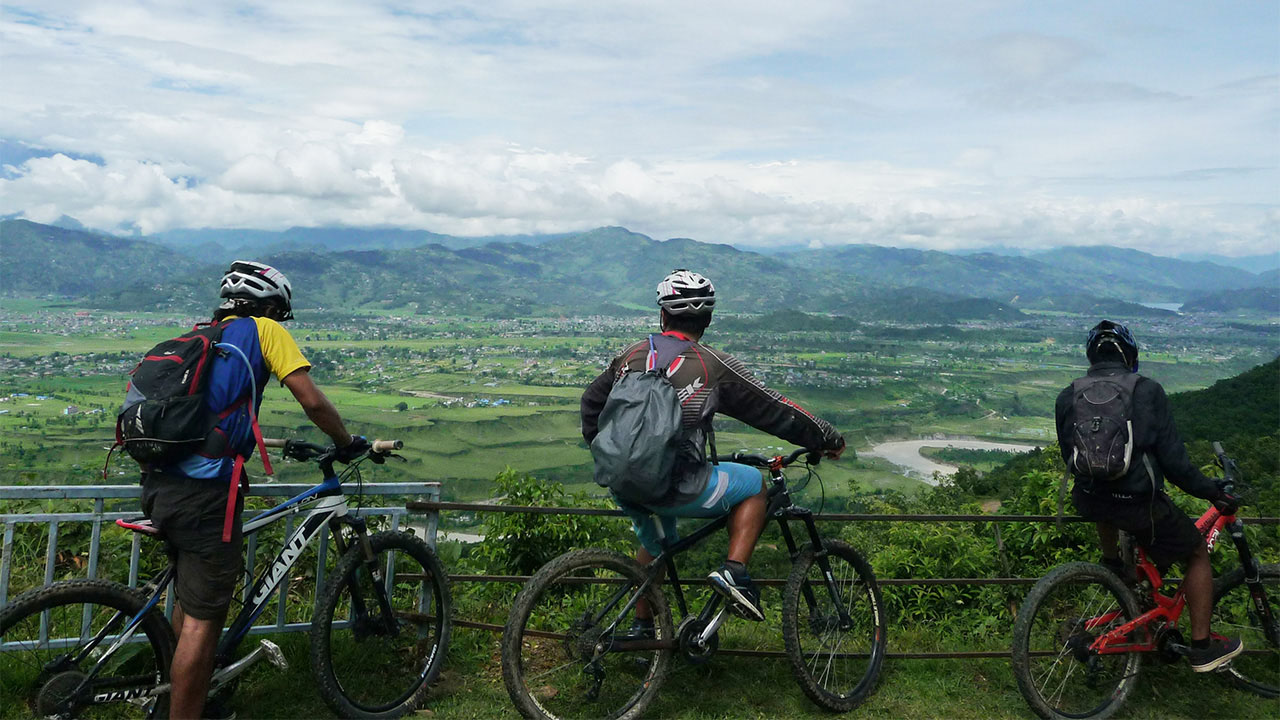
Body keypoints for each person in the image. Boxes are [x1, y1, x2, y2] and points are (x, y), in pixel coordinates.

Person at [141, 261, 369, 720]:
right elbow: (311, 400)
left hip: (160, 483)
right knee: (204, 623)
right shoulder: (264, 330)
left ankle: (182, 700)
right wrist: (346, 442)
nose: (281, 320)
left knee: (189, 602)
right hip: (206, 494)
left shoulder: (205, 335)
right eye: (280, 313)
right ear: (271, 306)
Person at [581, 269, 845, 623]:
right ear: (707, 320)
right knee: (754, 485)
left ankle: (641, 628)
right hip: (675, 483)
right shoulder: (712, 365)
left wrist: (610, 454)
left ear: (663, 315)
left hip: (621, 480)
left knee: (657, 546)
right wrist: (826, 437)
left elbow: (591, 403)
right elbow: (774, 410)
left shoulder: (632, 354)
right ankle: (734, 572)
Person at [1055, 320, 1242, 672]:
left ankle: (1113, 565)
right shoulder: (1147, 391)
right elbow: (1174, 464)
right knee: (1196, 552)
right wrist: (1213, 493)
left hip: (1091, 500)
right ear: (1130, 356)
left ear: (1091, 356)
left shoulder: (1068, 395)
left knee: (1106, 505)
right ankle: (1202, 648)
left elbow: (1071, 456)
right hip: (1138, 506)